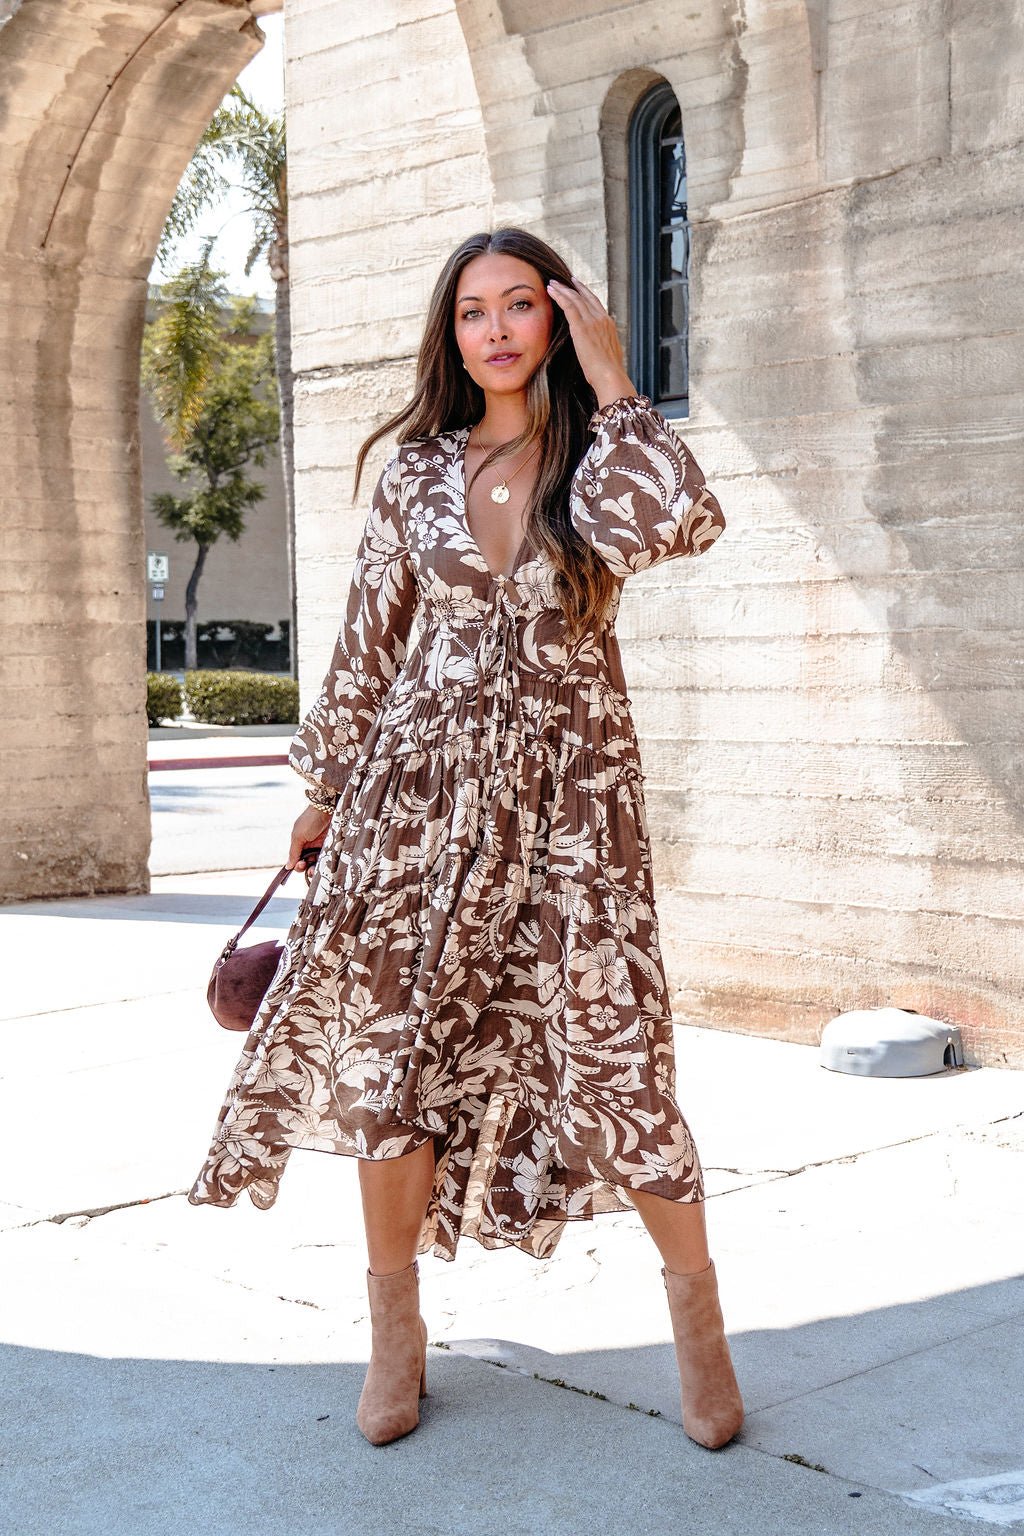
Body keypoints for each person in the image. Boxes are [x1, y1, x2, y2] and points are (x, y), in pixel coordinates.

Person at [188, 227, 743, 1451]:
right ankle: (396, 1340)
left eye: (520, 306)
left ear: (560, 318)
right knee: (392, 1062)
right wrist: (325, 791)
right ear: (450, 337)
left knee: (616, 1064)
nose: (494, 329)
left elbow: (682, 525)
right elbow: (368, 638)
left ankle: (698, 1336)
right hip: (413, 806)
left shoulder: (603, 456)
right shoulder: (413, 473)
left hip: (572, 810)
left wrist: (615, 380)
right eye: (470, 312)